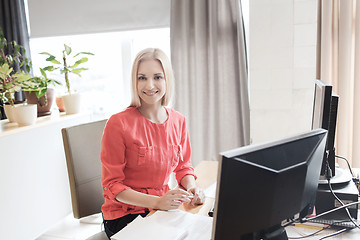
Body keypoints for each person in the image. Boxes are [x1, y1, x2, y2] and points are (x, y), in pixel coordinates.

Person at [101, 48, 205, 239]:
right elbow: (112, 185)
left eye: (157, 77)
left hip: (161, 209)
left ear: (167, 80)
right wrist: (158, 202)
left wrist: (192, 187)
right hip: (124, 216)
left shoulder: (178, 121)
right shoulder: (118, 123)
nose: (149, 85)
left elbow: (183, 166)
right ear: (134, 81)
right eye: (142, 78)